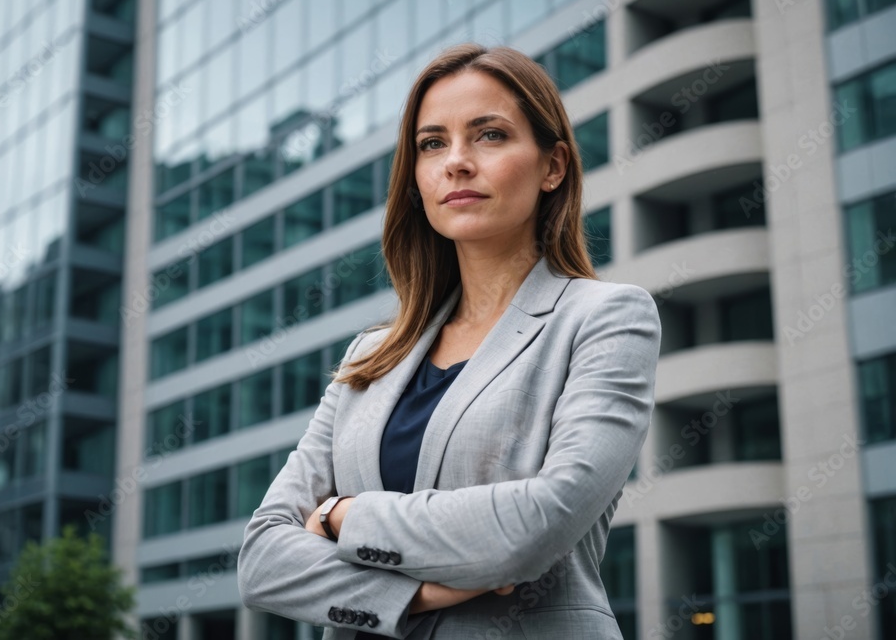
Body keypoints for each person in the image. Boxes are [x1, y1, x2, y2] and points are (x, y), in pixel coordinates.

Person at [237, 43, 662, 639]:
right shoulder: (370, 357)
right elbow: (262, 560)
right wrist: (414, 596)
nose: (456, 162)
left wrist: (343, 515)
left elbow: (538, 525)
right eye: (432, 143)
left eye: (489, 135)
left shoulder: (606, 318)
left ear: (553, 166)